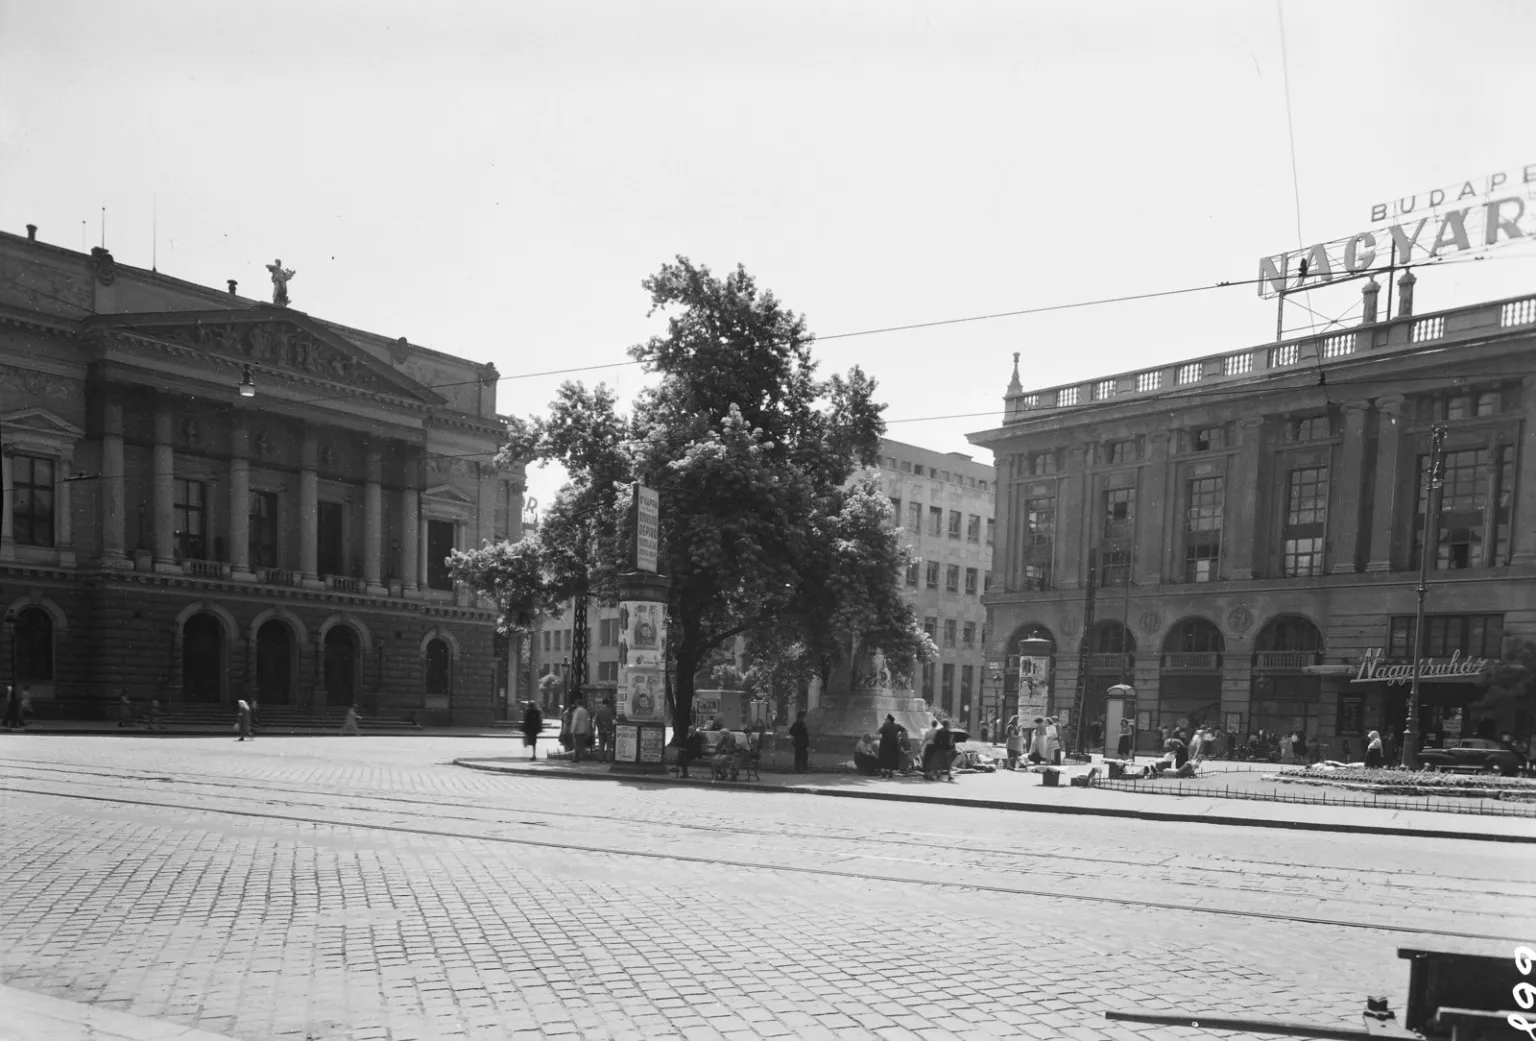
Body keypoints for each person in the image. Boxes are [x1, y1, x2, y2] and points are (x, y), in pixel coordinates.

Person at [877, 714, 903, 779]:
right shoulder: (896, 726)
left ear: (888, 720)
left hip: (885, 745)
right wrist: (899, 736)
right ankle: (890, 772)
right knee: (891, 759)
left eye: (886, 719)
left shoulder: (885, 725)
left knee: (884, 759)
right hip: (894, 745)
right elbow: (904, 730)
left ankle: (884, 773)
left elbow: (877, 732)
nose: (885, 720)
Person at [570, 697, 591, 763]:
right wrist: (587, 730)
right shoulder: (585, 711)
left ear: (577, 704)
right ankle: (580, 756)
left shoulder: (577, 711)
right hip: (584, 730)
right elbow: (588, 721)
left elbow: (575, 721)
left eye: (575, 703)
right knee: (581, 744)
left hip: (577, 730)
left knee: (577, 745)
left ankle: (576, 758)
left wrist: (572, 730)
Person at [595, 698, 615, 762]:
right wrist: (609, 728)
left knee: (601, 746)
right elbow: (611, 721)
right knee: (609, 746)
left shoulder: (598, 711)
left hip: (601, 731)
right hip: (608, 731)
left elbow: (597, 722)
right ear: (608, 703)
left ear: (602, 703)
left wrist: (601, 729)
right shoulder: (610, 710)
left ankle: (600, 758)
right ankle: (608, 759)